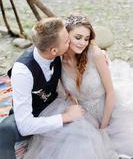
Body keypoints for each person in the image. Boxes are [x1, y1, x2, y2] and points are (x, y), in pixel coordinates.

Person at [23, 15, 129, 159]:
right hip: (84, 112)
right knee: (74, 143)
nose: (82, 43)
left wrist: (104, 126)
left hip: (108, 108)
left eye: (86, 38)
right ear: (66, 37)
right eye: (77, 37)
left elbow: (110, 93)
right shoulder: (58, 59)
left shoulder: (95, 54)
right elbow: (65, 92)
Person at [0, 17, 85, 159]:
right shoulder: (22, 71)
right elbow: (25, 125)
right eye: (66, 41)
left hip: (55, 104)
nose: (70, 41)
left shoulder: (58, 50)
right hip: (31, 114)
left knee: (81, 134)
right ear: (53, 50)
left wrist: (100, 54)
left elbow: (85, 43)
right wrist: (65, 117)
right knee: (5, 130)